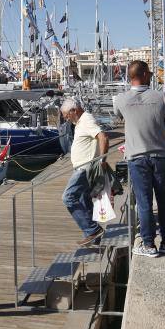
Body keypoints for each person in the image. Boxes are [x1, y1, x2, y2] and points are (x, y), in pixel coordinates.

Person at [113, 60, 165, 258]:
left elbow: (118, 117)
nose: (152, 75)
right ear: (144, 74)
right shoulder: (162, 97)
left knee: (144, 202)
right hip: (161, 156)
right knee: (164, 201)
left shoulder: (121, 99)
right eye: (150, 73)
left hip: (137, 158)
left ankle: (148, 244)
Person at [60, 99, 109, 246]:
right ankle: (94, 237)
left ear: (74, 111)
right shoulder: (80, 123)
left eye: (66, 115)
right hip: (82, 168)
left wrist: (102, 160)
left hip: (84, 169)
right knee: (83, 200)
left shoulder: (86, 119)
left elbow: (103, 137)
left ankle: (93, 230)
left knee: (68, 197)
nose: (65, 118)